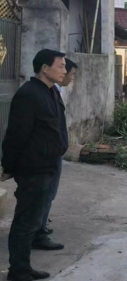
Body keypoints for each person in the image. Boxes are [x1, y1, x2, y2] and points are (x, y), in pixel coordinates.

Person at [1, 49, 69, 281]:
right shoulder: (29, 94)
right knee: (25, 223)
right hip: (33, 168)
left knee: (32, 222)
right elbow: (16, 134)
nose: (64, 70)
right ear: (44, 68)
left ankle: (21, 268)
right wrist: (8, 166)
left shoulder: (50, 92)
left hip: (47, 165)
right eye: (60, 66)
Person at [33, 58, 77, 251]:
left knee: (48, 194)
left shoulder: (53, 91)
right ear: (45, 68)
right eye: (64, 68)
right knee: (43, 194)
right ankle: (38, 233)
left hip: (54, 152)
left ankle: (40, 227)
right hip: (45, 155)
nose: (67, 74)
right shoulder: (35, 94)